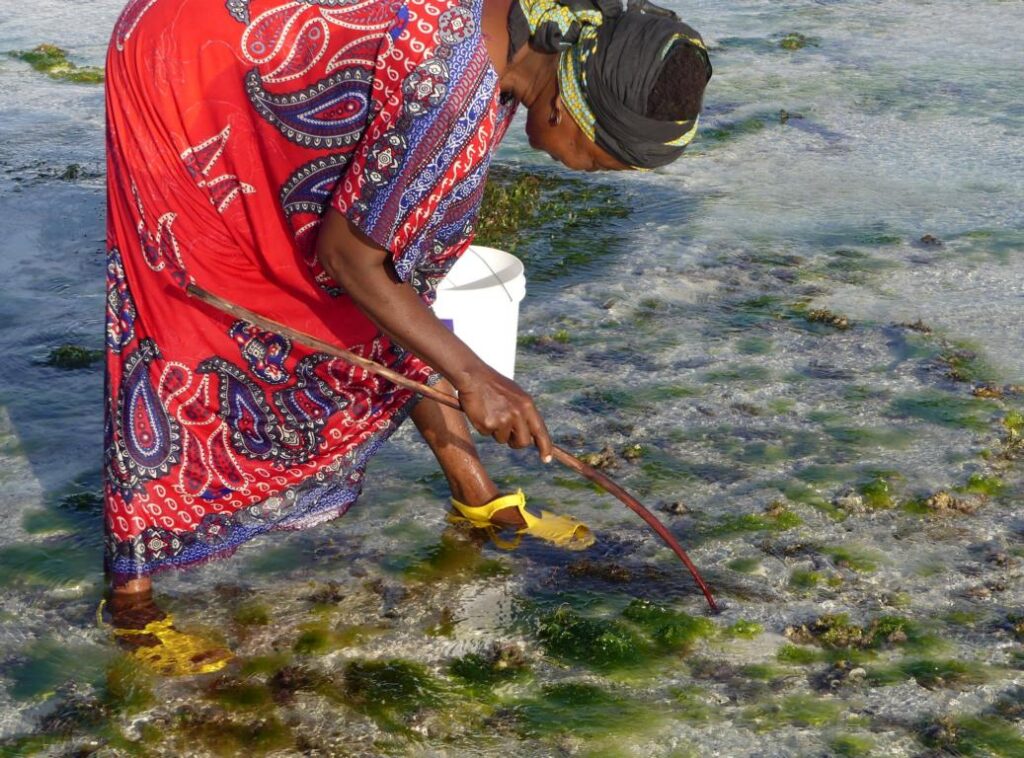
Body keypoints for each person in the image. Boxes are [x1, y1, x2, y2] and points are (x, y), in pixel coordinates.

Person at [102, 0, 712, 673]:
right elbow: (350, 258)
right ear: (567, 109)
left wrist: (468, 370)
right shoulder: (450, 95)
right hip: (186, 65)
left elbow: (398, 271)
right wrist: (477, 376)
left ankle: (476, 494)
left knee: (393, 275)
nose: (586, 173)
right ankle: (130, 596)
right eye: (598, 163)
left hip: (261, 51)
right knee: (185, 304)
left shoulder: (520, 41)